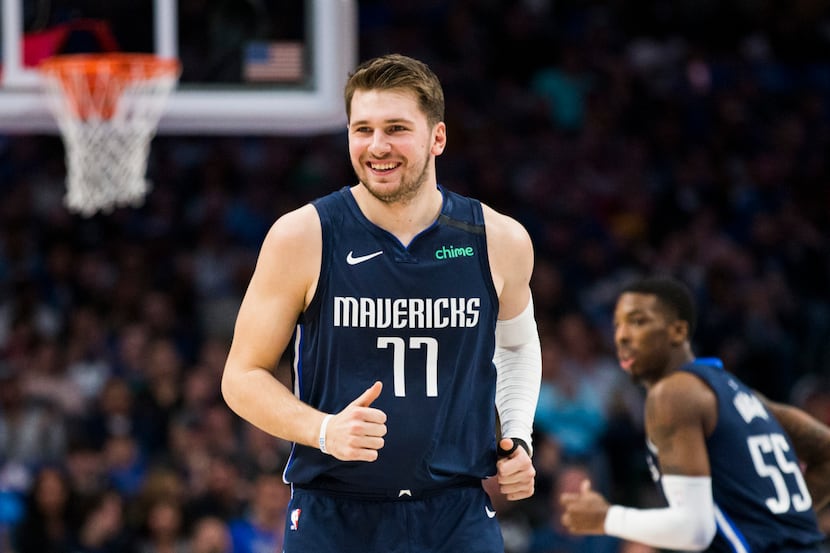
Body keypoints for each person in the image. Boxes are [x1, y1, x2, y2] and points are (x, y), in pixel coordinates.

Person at [221, 53, 542, 552]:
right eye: (362, 129)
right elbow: (241, 376)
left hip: (456, 512)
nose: (377, 147)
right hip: (336, 512)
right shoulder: (303, 235)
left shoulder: (499, 239)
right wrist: (324, 430)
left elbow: (518, 348)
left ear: (437, 137)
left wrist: (517, 436)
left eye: (396, 129)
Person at [560, 276, 830, 552]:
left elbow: (693, 530)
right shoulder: (740, 393)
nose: (622, 336)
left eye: (638, 321)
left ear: (677, 331)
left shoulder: (672, 393)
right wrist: (780, 524)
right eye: (617, 325)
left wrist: (606, 518)